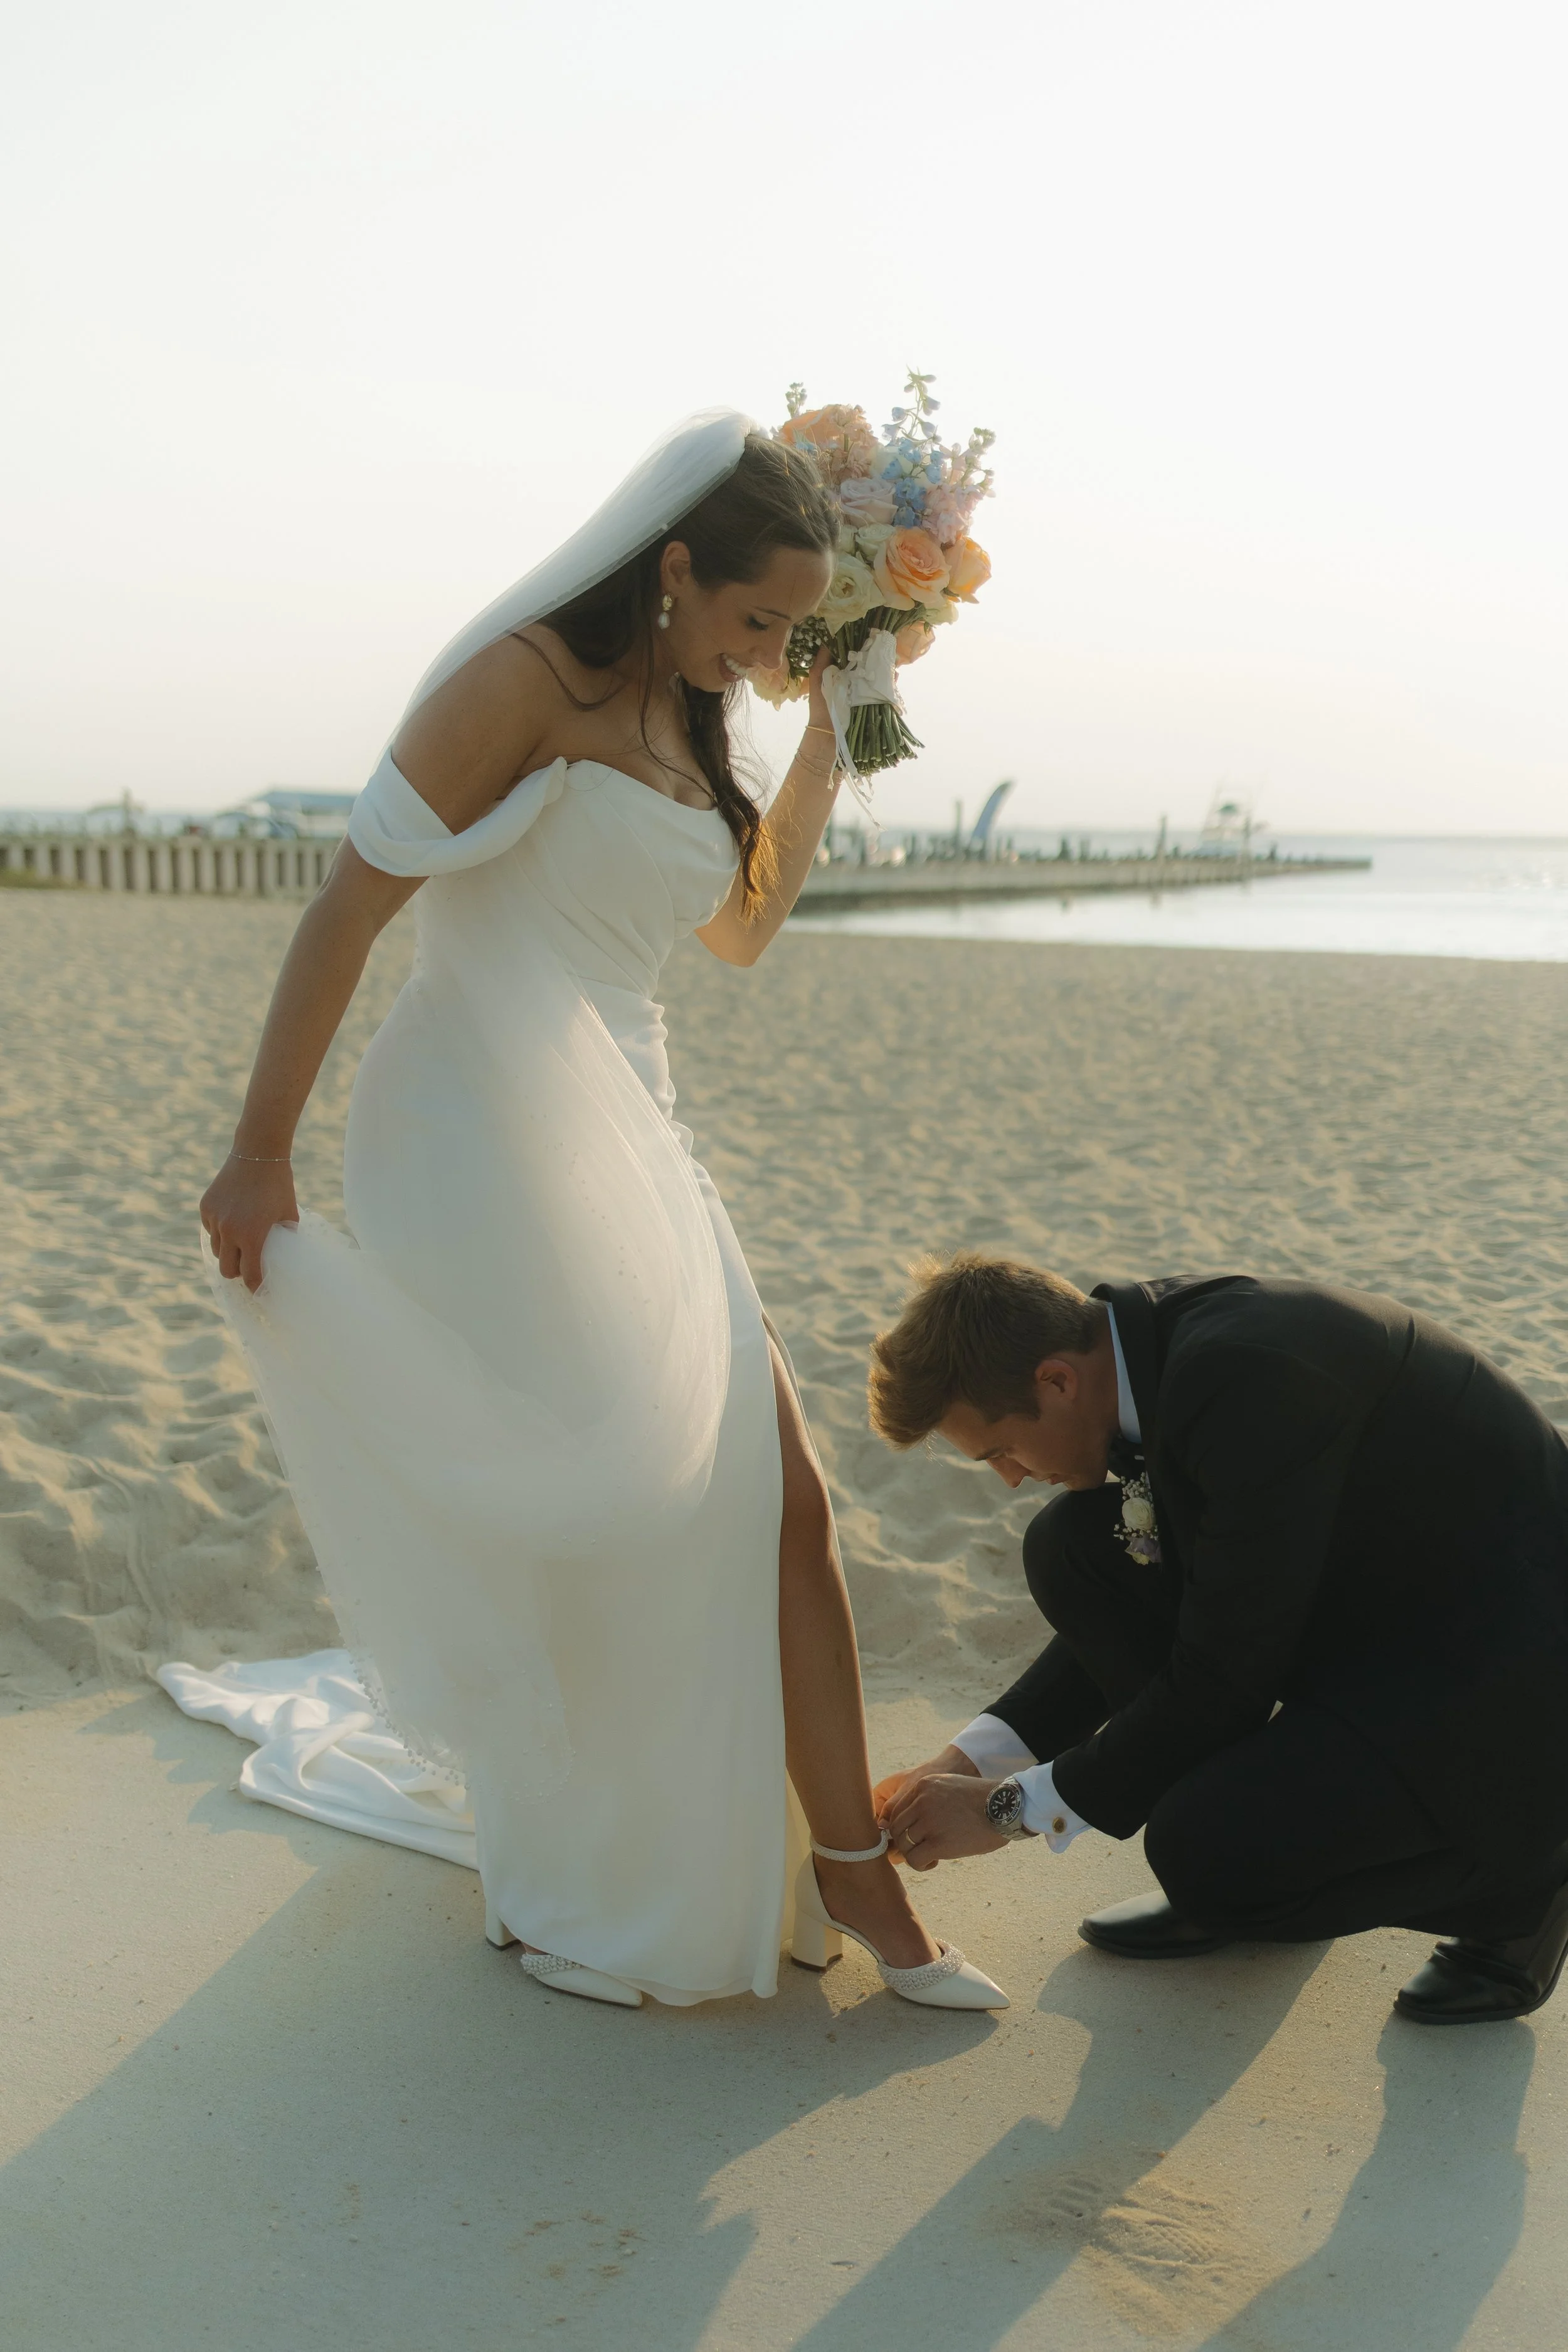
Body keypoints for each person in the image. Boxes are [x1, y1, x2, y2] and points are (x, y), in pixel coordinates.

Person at [197, 413, 1004, 2014]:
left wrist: (844, 720)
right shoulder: (522, 683)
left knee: (777, 1506)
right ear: (674, 564)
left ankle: (842, 1875)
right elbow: (351, 903)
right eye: (757, 619)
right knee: (635, 1503)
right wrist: (259, 1149)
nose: (766, 650)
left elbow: (744, 928)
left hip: (632, 1126)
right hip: (477, 1128)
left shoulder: (706, 716)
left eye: (794, 629)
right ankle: (580, 1871)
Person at [869, 1253, 1568, 2026]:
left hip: (1498, 1682)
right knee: (1071, 1548)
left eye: (999, 1449)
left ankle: (1524, 1893)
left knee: (1203, 1854)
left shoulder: (1246, 1378)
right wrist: (966, 1762)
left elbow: (1222, 1675)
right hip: (1379, 1619)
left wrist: (1009, 1810)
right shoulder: (1149, 1353)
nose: (1007, 1476)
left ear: (1057, 1381)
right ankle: (1252, 1874)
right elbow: (1208, 1613)